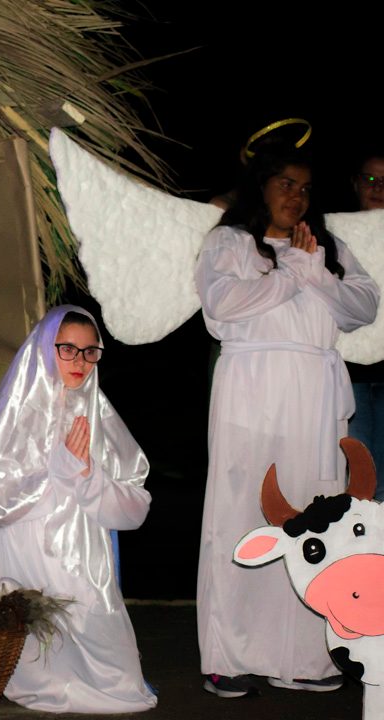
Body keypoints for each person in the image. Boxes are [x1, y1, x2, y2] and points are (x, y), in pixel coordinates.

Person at [195, 148, 380, 698]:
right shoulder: (227, 242)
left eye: (303, 187)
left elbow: (363, 307)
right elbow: (223, 303)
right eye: (284, 183)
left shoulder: (327, 248)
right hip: (253, 386)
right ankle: (227, 656)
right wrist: (291, 276)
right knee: (240, 513)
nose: (294, 195)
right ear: (261, 187)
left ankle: (303, 657)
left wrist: (314, 271)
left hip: (316, 393)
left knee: (312, 515)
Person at [0, 306, 156, 714]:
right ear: (45, 349)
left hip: (84, 547)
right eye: (67, 349)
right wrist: (57, 472)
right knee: (37, 643)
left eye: (89, 351)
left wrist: (88, 479)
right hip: (27, 542)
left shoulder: (99, 414)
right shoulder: (19, 410)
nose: (79, 361)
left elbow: (136, 504)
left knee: (118, 676)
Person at [346, 150, 384, 499]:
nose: (378, 188)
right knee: (360, 483)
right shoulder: (332, 235)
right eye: (371, 179)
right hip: (349, 377)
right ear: (356, 184)